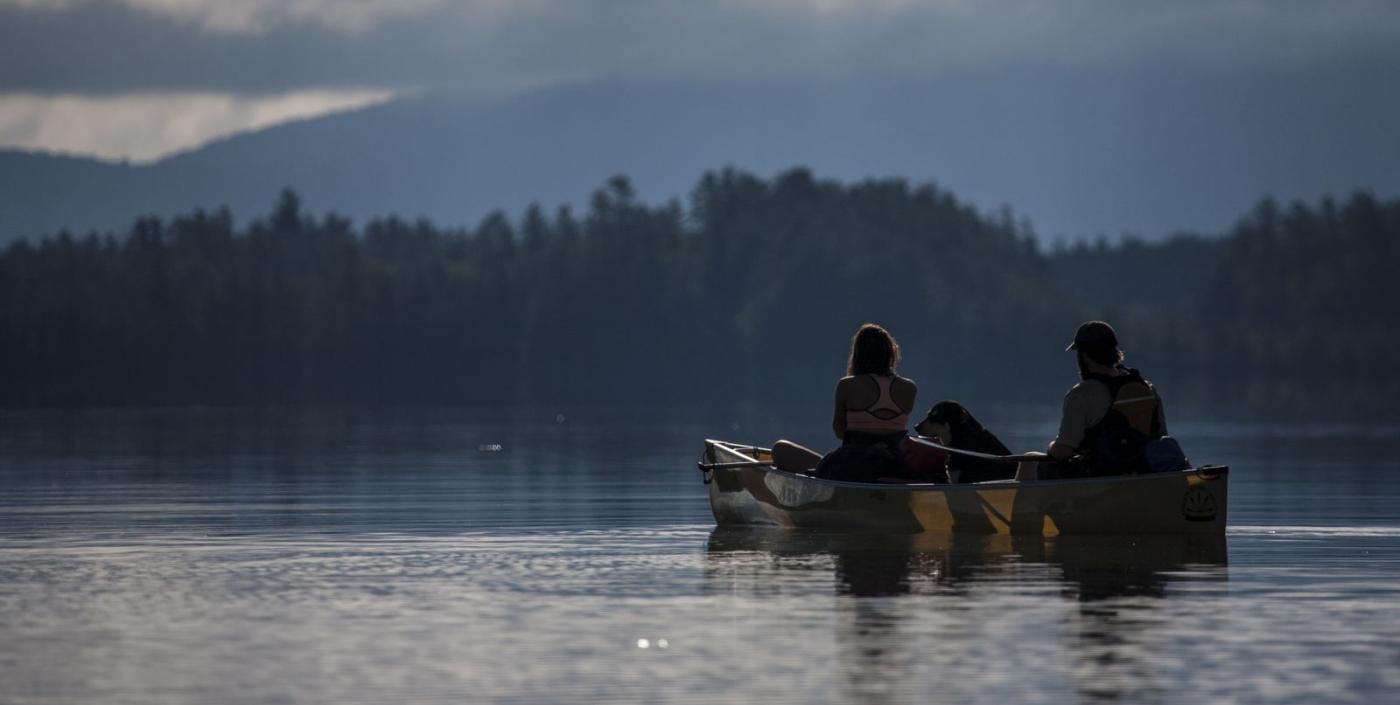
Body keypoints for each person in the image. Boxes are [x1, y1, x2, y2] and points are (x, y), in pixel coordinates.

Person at [1022, 320, 1176, 480]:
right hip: (1146, 472)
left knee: (1030, 460)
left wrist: (1052, 446)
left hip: (1099, 477)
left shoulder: (1081, 394)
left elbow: (1063, 452)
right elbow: (1162, 436)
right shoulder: (1148, 388)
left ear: (1085, 357)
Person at [772, 323, 918, 482]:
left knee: (780, 449)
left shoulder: (847, 385)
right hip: (896, 466)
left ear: (858, 354)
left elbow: (840, 432)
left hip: (853, 467)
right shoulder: (909, 387)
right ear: (890, 353)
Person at [913, 401, 1016, 483]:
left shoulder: (967, 456)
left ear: (948, 424)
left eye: (932, 420)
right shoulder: (979, 441)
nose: (919, 426)